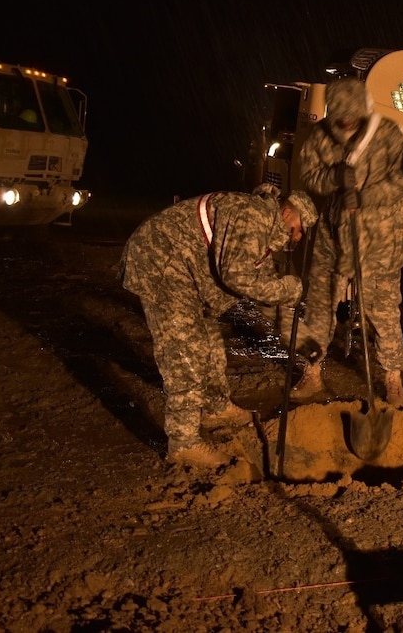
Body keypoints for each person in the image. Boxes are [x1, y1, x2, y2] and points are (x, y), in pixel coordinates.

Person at [120, 186, 318, 469]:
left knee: (211, 342)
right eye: (299, 228)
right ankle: (184, 443)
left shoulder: (263, 235)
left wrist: (300, 335)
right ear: (286, 213)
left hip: (188, 274)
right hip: (161, 262)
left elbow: (264, 288)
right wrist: (289, 289)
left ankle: (215, 408)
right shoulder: (252, 215)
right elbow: (237, 276)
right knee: (185, 351)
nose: (298, 237)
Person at [290, 78, 403, 406]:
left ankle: (393, 379)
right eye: (340, 118)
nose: (346, 123)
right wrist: (331, 179)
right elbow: (310, 175)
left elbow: (402, 181)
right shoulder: (320, 137)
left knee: (383, 312)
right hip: (333, 239)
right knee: (318, 306)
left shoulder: (389, 134)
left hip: (381, 241)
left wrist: (365, 194)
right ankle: (312, 371)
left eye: (352, 117)